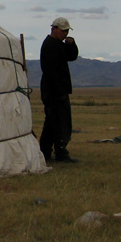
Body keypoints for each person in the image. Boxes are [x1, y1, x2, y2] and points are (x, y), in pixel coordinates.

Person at [39, 17, 79, 162]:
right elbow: (50, 72)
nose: (65, 34)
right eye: (63, 31)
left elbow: (72, 56)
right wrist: (59, 92)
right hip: (54, 92)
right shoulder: (50, 45)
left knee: (52, 122)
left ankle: (45, 152)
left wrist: (71, 44)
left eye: (67, 31)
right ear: (54, 29)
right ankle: (60, 152)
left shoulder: (58, 44)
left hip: (56, 90)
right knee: (59, 123)